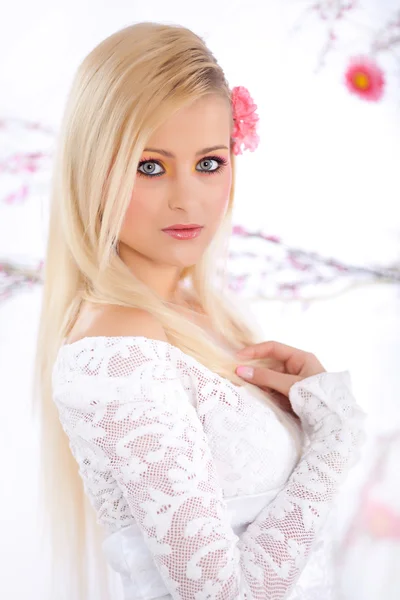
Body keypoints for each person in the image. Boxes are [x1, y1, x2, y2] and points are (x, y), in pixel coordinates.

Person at [33, 21, 366, 600]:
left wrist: (312, 415)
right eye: (150, 166)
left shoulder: (203, 313)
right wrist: (333, 444)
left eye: (209, 163)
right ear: (94, 170)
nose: (187, 197)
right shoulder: (117, 348)